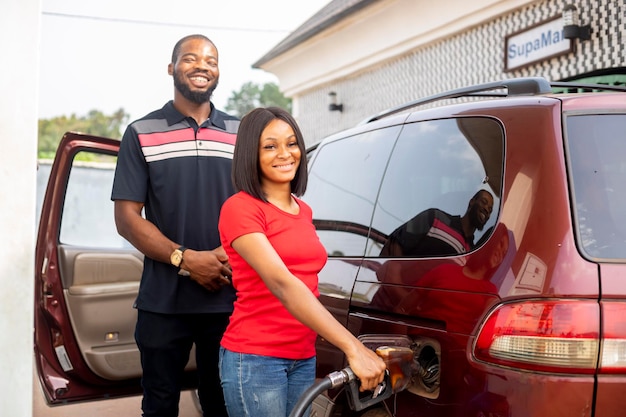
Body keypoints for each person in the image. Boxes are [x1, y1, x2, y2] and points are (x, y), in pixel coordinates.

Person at [217, 107, 387, 417]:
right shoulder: (240, 208)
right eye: (270, 146)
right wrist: (353, 347)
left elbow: (306, 278)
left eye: (292, 143)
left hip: (302, 355)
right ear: (250, 154)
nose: (285, 153)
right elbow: (283, 284)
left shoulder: (303, 210)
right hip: (256, 359)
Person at [111, 34, 238, 417]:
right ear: (171, 68)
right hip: (163, 302)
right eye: (190, 58)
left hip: (231, 299)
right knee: (161, 404)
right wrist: (186, 259)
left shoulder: (242, 133)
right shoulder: (141, 132)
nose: (202, 66)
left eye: (211, 60)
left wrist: (221, 253)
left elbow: (261, 208)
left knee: (223, 404)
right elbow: (127, 218)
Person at [380, 189, 494, 257]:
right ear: (471, 202)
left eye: (490, 210)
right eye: (484, 202)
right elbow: (394, 244)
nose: (486, 210)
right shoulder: (435, 218)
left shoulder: (471, 252)